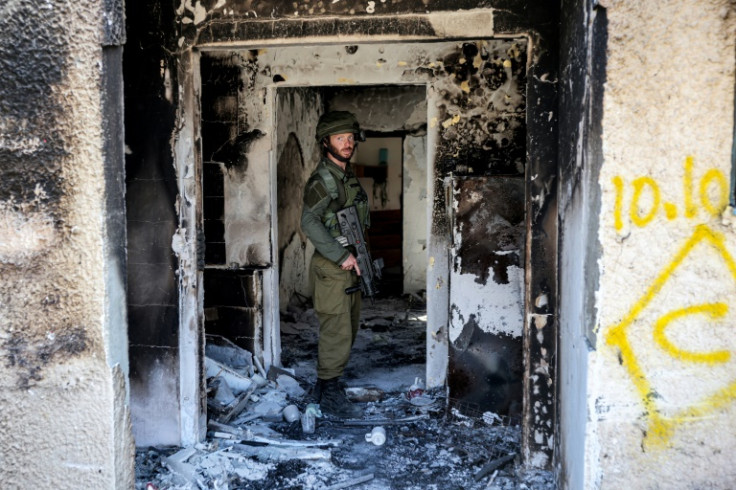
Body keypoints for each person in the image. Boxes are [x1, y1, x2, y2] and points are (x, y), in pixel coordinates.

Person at [300, 111, 370, 418]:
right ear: (325, 142)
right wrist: (342, 256)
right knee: (337, 332)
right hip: (333, 267)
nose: (347, 143)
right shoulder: (324, 179)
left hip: (349, 265)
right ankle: (328, 394)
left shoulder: (345, 174)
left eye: (350, 137)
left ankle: (327, 385)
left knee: (348, 329)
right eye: (340, 138)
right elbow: (309, 221)